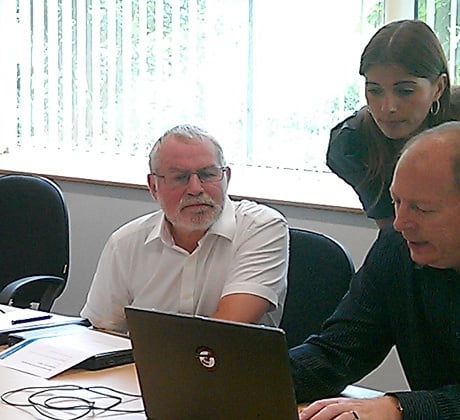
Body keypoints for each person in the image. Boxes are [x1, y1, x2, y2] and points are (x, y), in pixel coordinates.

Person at [293, 122, 460, 420]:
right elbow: (337, 352)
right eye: (397, 202)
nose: (400, 223)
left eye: (422, 208)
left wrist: (398, 408)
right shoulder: (397, 250)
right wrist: (253, 377)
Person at [79, 125, 288, 333]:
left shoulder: (261, 228)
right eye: (180, 177)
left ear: (227, 178)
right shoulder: (125, 243)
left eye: (207, 175)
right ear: (153, 186)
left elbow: (227, 329)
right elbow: (100, 332)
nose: (196, 189)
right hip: (141, 365)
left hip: (235, 364)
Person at [328, 19, 460, 230]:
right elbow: (398, 232)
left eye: (405, 91)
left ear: (438, 88)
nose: (387, 107)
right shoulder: (350, 145)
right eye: (375, 90)